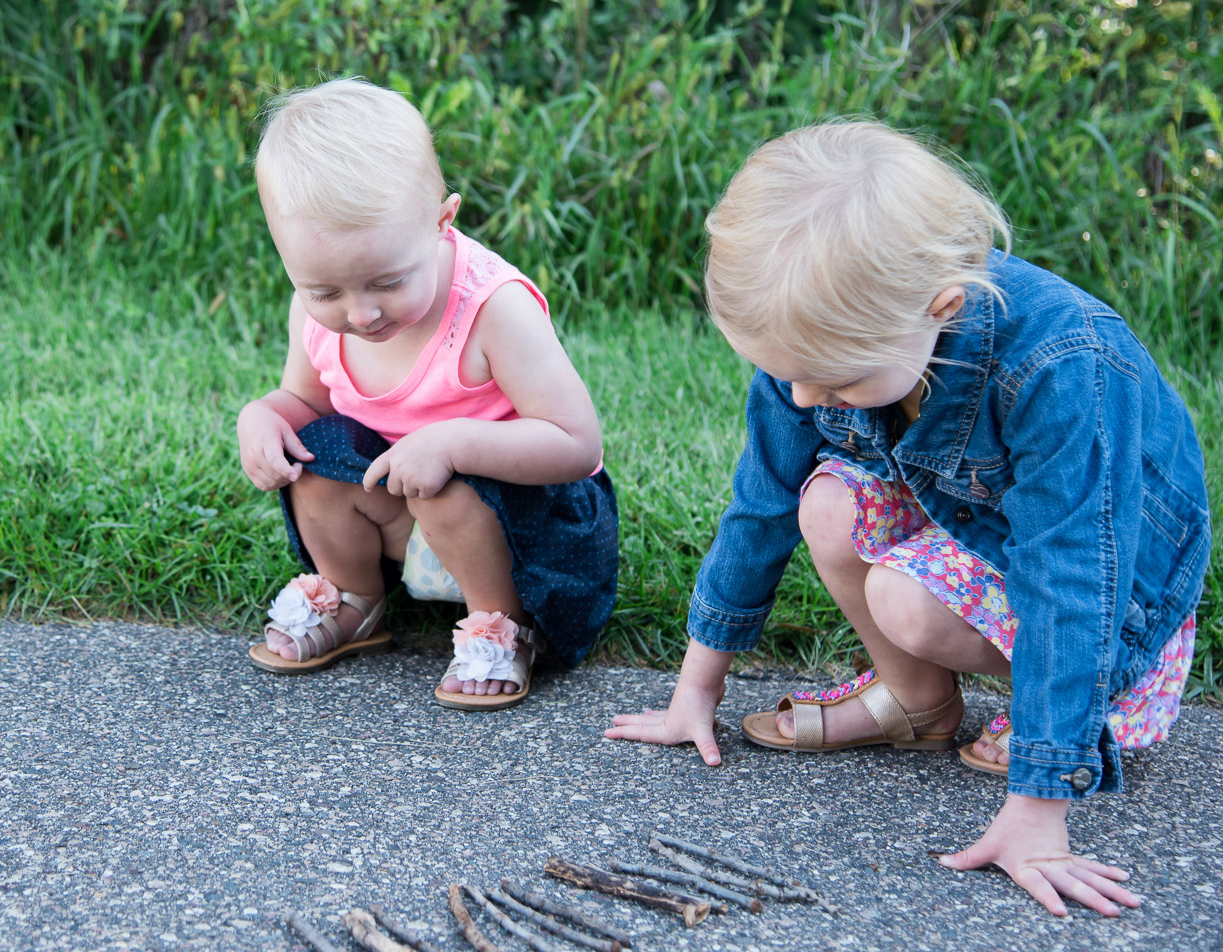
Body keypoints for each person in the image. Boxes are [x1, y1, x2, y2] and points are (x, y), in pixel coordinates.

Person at [605, 122, 1209, 917]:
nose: (801, 400)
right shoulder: (819, 355)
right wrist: (695, 690)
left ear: (942, 307)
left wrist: (1040, 805)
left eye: (835, 380)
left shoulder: (1063, 367)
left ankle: (1064, 716)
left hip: (1116, 612)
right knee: (826, 502)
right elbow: (760, 506)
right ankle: (916, 702)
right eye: (786, 374)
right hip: (976, 540)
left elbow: (1075, 579)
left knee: (900, 592)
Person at [236, 78, 619, 710]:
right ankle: (355, 597)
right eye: (325, 291)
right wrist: (263, 416)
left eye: (387, 281)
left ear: (443, 221)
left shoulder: (493, 310)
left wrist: (452, 443)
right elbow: (306, 403)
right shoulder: (314, 316)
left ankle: (502, 625)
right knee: (311, 456)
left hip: (525, 521)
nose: (359, 314)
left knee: (446, 487)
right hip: (399, 505)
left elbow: (577, 444)